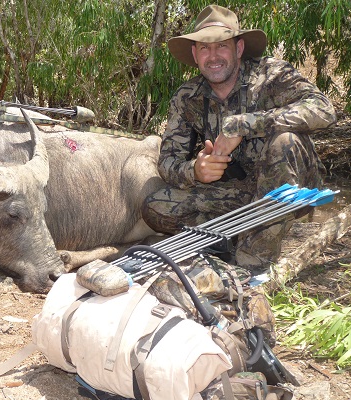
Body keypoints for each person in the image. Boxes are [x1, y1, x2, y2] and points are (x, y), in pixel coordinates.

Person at [142, 5, 336, 272]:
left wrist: (245, 124)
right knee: (155, 207)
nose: (213, 56)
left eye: (221, 46)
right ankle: (234, 239)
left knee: (286, 141)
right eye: (204, 48)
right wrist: (196, 171)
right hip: (238, 193)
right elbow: (167, 162)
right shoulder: (187, 96)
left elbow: (323, 109)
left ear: (239, 48)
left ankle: (252, 258)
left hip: (288, 186)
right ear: (194, 54)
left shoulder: (271, 75)